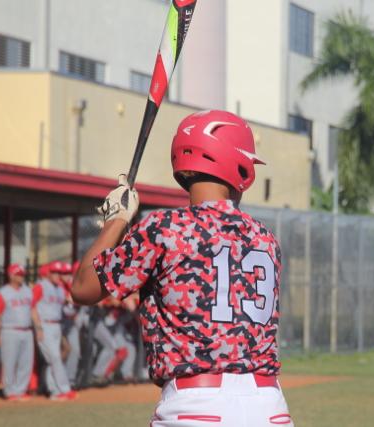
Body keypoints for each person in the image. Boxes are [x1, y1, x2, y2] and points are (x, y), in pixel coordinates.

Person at [73, 110, 293, 426]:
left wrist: (117, 220)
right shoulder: (266, 239)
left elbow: (83, 288)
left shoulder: (163, 228)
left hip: (195, 406)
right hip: (270, 409)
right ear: (238, 165)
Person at [0, 263, 43, 401]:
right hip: (9, 330)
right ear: (11, 275)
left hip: (27, 331)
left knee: (26, 362)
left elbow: (33, 311)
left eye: (22, 274)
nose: (21, 277)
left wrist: (38, 328)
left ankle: (20, 390)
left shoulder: (27, 291)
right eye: (18, 274)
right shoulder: (3, 293)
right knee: (9, 362)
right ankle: (10, 392)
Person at [33, 261, 76, 401]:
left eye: (61, 273)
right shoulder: (40, 286)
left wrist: (70, 303)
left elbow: (67, 311)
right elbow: (32, 307)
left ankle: (55, 392)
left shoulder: (60, 289)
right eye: (56, 272)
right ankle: (63, 389)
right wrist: (38, 327)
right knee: (55, 358)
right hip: (44, 325)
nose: (59, 275)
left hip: (57, 326)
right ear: (48, 273)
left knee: (54, 359)